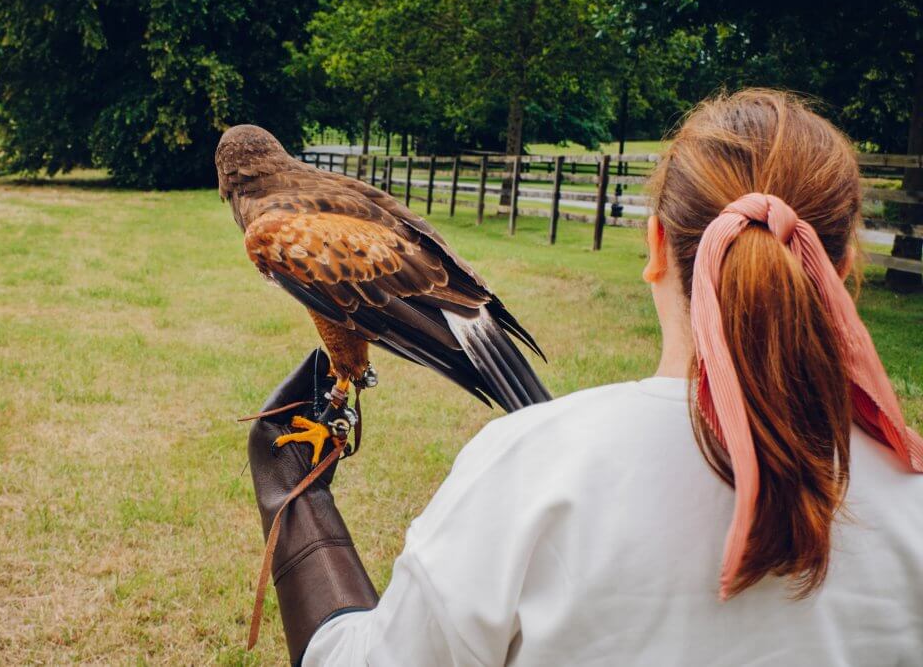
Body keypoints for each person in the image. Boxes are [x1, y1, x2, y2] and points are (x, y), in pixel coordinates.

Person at [248, 89, 923, 666]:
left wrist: (299, 510)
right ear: (843, 267)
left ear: (656, 246)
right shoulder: (910, 496)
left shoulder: (531, 467)